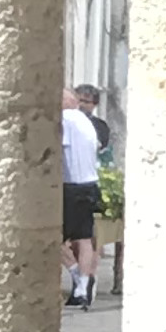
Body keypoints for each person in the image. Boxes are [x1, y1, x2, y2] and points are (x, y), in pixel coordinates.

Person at [59, 85, 104, 309]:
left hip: (71, 186)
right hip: (90, 183)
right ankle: (83, 285)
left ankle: (77, 276)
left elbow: (55, 148)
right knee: (84, 238)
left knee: (52, 238)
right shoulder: (86, 121)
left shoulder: (65, 119)